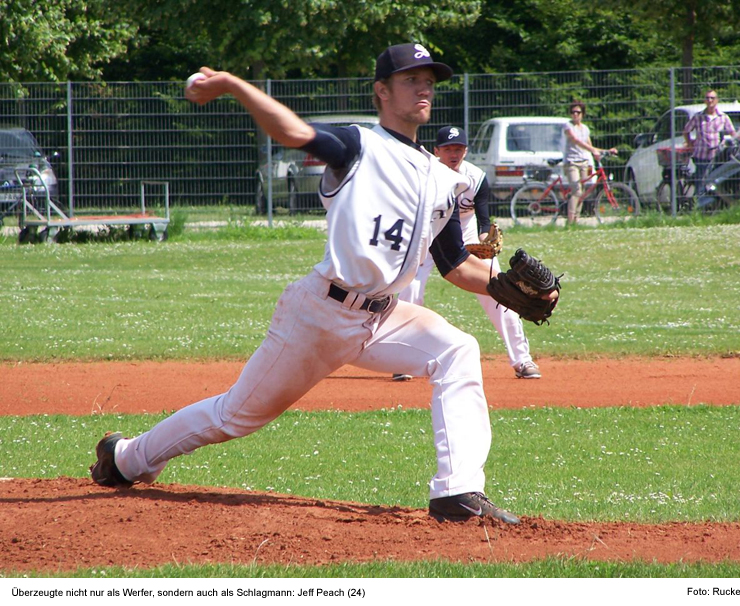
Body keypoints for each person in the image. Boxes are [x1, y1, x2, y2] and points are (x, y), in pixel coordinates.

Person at [90, 43, 556, 524]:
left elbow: (456, 265)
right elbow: (292, 132)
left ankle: (457, 493)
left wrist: (515, 290)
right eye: (410, 79)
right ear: (381, 91)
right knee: (235, 416)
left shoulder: (442, 178)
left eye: (429, 81)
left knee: (456, 350)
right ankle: (125, 458)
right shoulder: (358, 146)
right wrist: (231, 84)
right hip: (319, 315)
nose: (423, 88)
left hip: (383, 315)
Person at [395, 126, 540, 383]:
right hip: (427, 239)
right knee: (409, 291)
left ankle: (522, 360)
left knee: (498, 290)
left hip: (467, 241)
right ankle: (403, 360)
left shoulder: (476, 176)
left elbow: (483, 218)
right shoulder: (424, 175)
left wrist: (484, 238)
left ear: (466, 150)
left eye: (459, 148)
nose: (454, 153)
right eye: (448, 149)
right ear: (436, 151)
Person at [683, 90, 740, 196]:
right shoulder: (698, 117)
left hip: (718, 156)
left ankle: (713, 206)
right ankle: (698, 207)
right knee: (701, 182)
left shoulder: (723, 117)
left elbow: (733, 134)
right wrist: (690, 144)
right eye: (707, 98)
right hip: (701, 155)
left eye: (712, 98)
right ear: (705, 100)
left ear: (717, 100)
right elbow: (686, 131)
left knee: (715, 182)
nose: (710, 100)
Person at [562, 100, 617, 224]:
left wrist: (606, 151)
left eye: (578, 112)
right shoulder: (567, 126)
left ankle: (576, 220)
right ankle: (570, 222)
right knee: (577, 191)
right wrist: (592, 150)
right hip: (572, 162)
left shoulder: (585, 129)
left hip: (584, 162)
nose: (575, 114)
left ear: (582, 114)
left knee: (583, 192)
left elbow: (589, 146)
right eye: (573, 112)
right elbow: (576, 141)